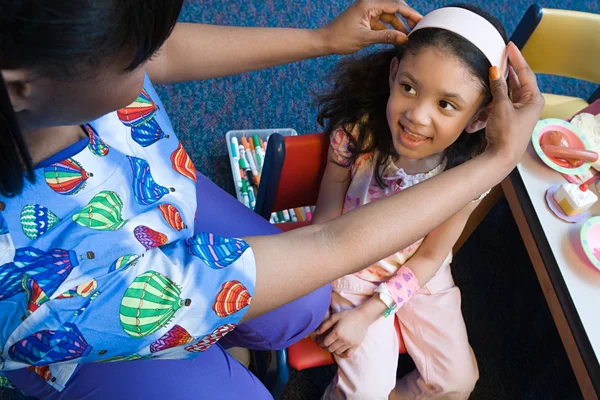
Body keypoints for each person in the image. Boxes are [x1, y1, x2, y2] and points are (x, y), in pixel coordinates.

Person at [0, 1, 543, 399]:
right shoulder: (43, 284)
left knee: (303, 308)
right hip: (91, 335)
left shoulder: (61, 77)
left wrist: (322, 39)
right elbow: (328, 238)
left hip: (162, 210)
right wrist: (493, 162)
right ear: (21, 86)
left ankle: (214, 342)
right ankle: (200, 353)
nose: (154, 62)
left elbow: (160, 50)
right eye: (135, 60)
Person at [311, 5, 509, 399]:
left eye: (446, 104)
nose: (417, 116)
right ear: (393, 73)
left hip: (421, 273)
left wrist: (374, 311)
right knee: (365, 392)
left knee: (458, 382)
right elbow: (325, 222)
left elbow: (431, 256)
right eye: (409, 88)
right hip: (354, 264)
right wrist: (326, 293)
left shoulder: (470, 171)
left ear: (480, 117)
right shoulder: (356, 137)